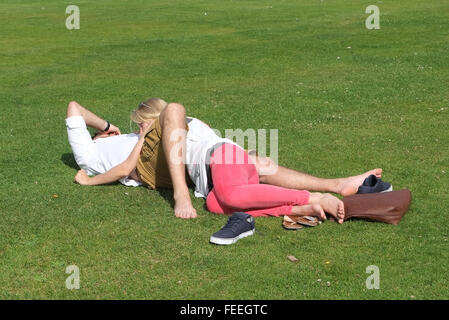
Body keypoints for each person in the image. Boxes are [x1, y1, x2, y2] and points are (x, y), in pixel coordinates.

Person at [73, 98, 383, 224]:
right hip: (224, 169)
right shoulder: (169, 139)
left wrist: (89, 179)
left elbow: (174, 110)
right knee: (218, 203)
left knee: (232, 193)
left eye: (140, 124)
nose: (137, 131)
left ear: (151, 119)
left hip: (222, 160)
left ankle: (317, 196)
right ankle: (311, 200)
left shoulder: (167, 121)